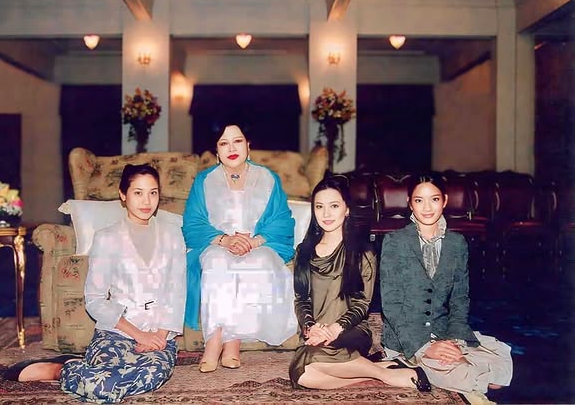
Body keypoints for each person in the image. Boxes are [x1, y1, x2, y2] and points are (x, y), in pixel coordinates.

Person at [5, 164, 187, 403]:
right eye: (138, 192)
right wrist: (138, 335)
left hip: (158, 335)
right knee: (103, 384)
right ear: (123, 195)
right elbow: (95, 299)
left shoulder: (173, 234)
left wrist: (159, 336)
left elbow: (177, 291)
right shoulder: (107, 238)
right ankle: (59, 370)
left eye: (153, 192)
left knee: (150, 375)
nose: (147, 201)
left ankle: (74, 370)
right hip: (117, 332)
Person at [380, 173, 512, 402]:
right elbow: (391, 305)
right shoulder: (395, 242)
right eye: (419, 200)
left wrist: (454, 340)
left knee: (499, 366)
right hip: (407, 337)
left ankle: (442, 365)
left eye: (434, 199)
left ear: (445, 200)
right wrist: (424, 347)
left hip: (441, 331)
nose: (427, 207)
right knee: (468, 374)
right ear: (410, 203)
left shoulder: (457, 244)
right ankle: (407, 362)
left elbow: (460, 299)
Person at [288, 175, 429, 390]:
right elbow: (301, 298)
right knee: (301, 374)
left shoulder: (362, 253)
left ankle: (378, 372)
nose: (326, 214)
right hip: (316, 332)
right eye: (319, 207)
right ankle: (380, 372)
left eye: (334, 206)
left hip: (350, 330)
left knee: (306, 361)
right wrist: (311, 327)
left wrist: (335, 328)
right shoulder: (304, 251)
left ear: (346, 209)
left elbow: (362, 304)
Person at [183, 122, 297, 373]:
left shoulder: (268, 178)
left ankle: (232, 343)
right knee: (217, 262)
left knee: (258, 262)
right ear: (216, 151)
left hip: (259, 244)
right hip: (217, 244)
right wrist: (225, 240)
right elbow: (193, 223)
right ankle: (214, 342)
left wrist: (253, 241)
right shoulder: (204, 180)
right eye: (224, 143)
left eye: (237, 141)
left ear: (248, 145)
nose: (232, 148)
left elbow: (282, 220)